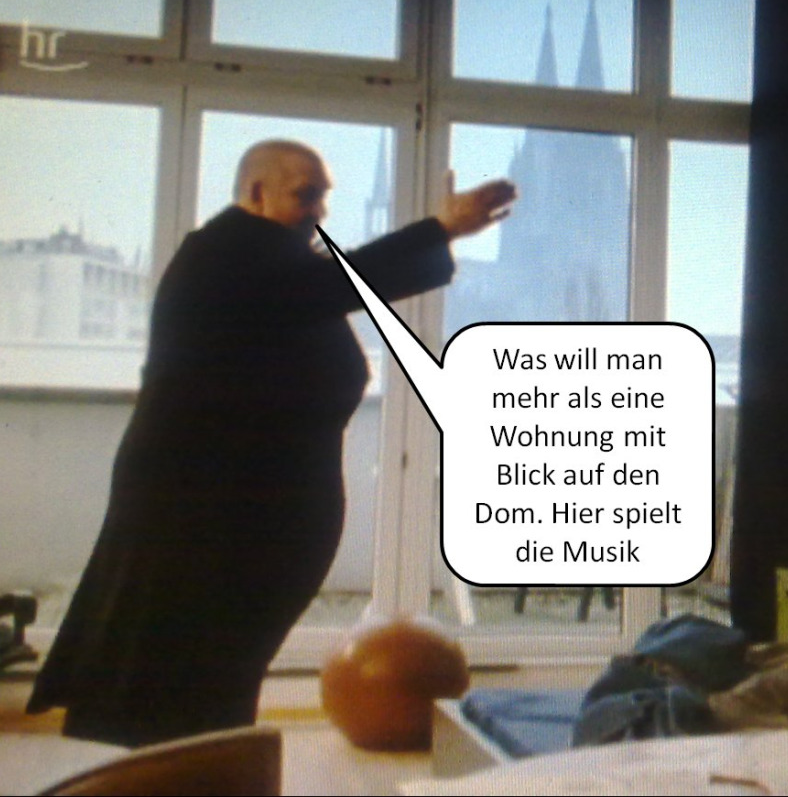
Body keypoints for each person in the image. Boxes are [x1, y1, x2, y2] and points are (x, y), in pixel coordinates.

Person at [27, 140, 517, 746]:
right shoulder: (225, 254)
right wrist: (441, 229)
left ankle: (201, 767)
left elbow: (321, 293)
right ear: (257, 193)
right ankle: (183, 774)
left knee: (206, 672)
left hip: (233, 511)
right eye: (306, 195)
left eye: (325, 197)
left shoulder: (267, 258)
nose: (320, 212)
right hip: (204, 514)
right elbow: (336, 285)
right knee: (178, 674)